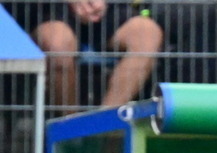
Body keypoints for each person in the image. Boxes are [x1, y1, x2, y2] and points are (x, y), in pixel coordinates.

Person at [8, 0, 162, 113]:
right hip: (47, 9)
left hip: (107, 9)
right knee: (58, 45)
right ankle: (71, 132)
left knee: (147, 36)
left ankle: (104, 125)